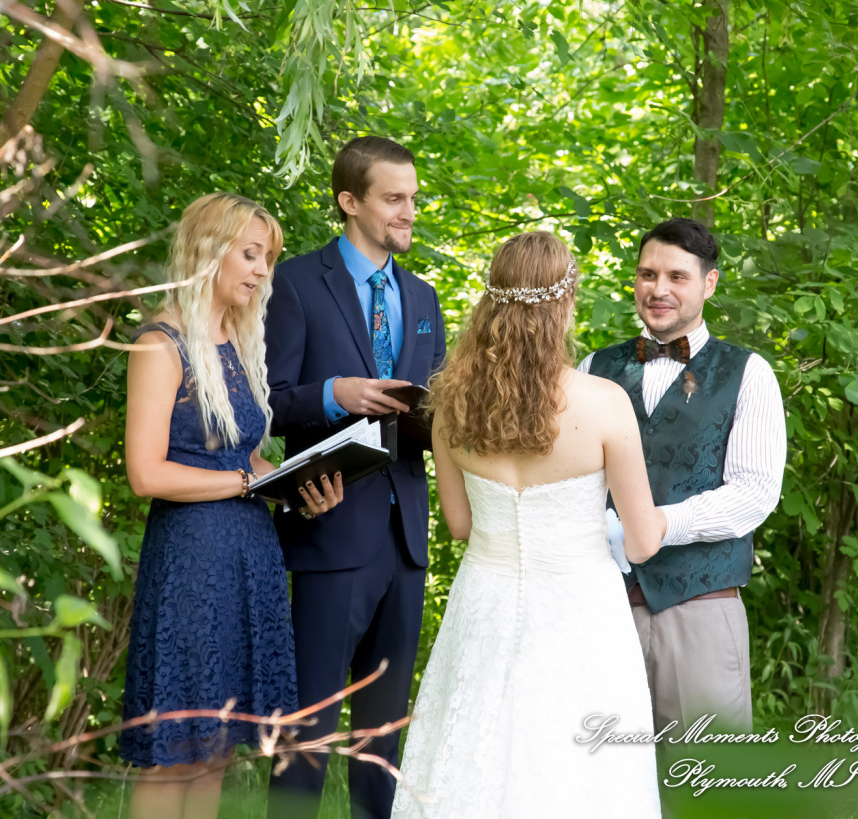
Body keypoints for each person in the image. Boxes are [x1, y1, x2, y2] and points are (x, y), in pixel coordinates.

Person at [391, 232, 664, 818]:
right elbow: (642, 541)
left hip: (484, 601)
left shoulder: (451, 404)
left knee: (472, 749)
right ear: (564, 304)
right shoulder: (605, 402)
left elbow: (460, 524)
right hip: (580, 611)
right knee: (580, 771)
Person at [120, 192, 342, 819]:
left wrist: (295, 482)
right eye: (249, 255)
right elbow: (146, 472)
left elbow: (241, 458)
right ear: (207, 250)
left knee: (216, 747)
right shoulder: (161, 344)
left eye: (267, 258)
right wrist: (247, 483)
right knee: (177, 752)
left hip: (249, 554)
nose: (261, 271)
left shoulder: (237, 344)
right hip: (192, 560)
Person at [264, 136, 446, 818]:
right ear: (349, 201)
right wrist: (336, 391)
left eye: (413, 198)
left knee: (382, 742)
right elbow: (268, 400)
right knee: (306, 730)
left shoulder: (423, 295)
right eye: (394, 199)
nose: (409, 212)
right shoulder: (295, 284)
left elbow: (435, 405)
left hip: (406, 540)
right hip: (328, 524)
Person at [579, 217, 786, 734]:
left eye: (677, 276)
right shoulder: (592, 368)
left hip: (700, 609)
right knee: (603, 782)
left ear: (709, 284)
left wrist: (657, 524)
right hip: (602, 607)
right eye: (648, 275)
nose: (659, 289)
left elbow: (754, 493)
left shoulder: (749, 372)